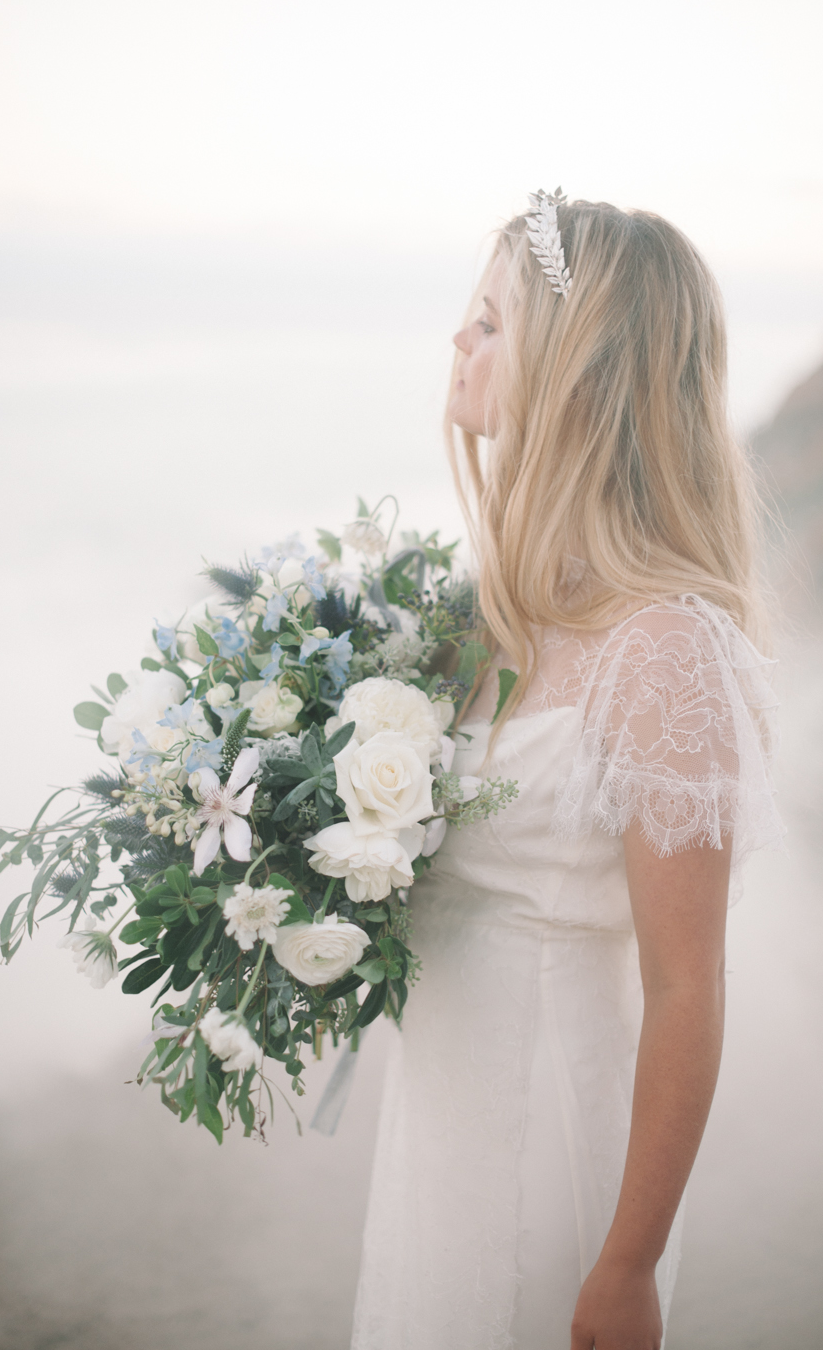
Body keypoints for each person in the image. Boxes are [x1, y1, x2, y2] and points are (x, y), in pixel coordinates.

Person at [349, 193, 784, 1350]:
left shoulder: (663, 652)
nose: (457, 342)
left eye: (488, 323)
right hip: (443, 1113)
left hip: (548, 1129)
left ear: (573, 376)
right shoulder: (491, 620)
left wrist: (629, 1260)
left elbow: (690, 984)